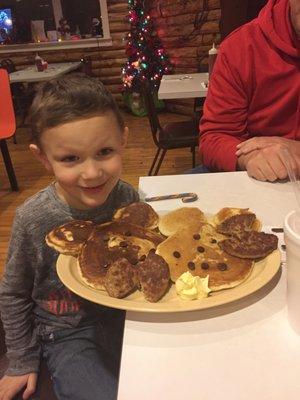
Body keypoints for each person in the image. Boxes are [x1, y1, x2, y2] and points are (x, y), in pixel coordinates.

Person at [0, 74, 139, 400]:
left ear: (124, 140)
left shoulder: (129, 199)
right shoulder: (33, 218)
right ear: (42, 158)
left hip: (127, 318)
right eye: (70, 159)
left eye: (105, 151)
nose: (92, 173)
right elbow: (13, 293)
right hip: (67, 332)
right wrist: (21, 359)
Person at [199, 0, 300, 182]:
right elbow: (214, 137)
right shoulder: (239, 47)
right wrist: (250, 157)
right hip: (257, 178)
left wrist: (295, 150)